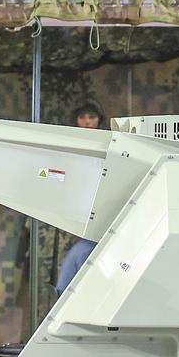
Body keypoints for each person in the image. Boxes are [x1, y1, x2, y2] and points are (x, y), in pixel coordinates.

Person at [56, 102, 107, 291]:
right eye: (83, 117)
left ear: (99, 120)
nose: (87, 122)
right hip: (69, 216)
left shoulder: (110, 145)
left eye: (91, 117)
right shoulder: (68, 145)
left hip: (98, 217)